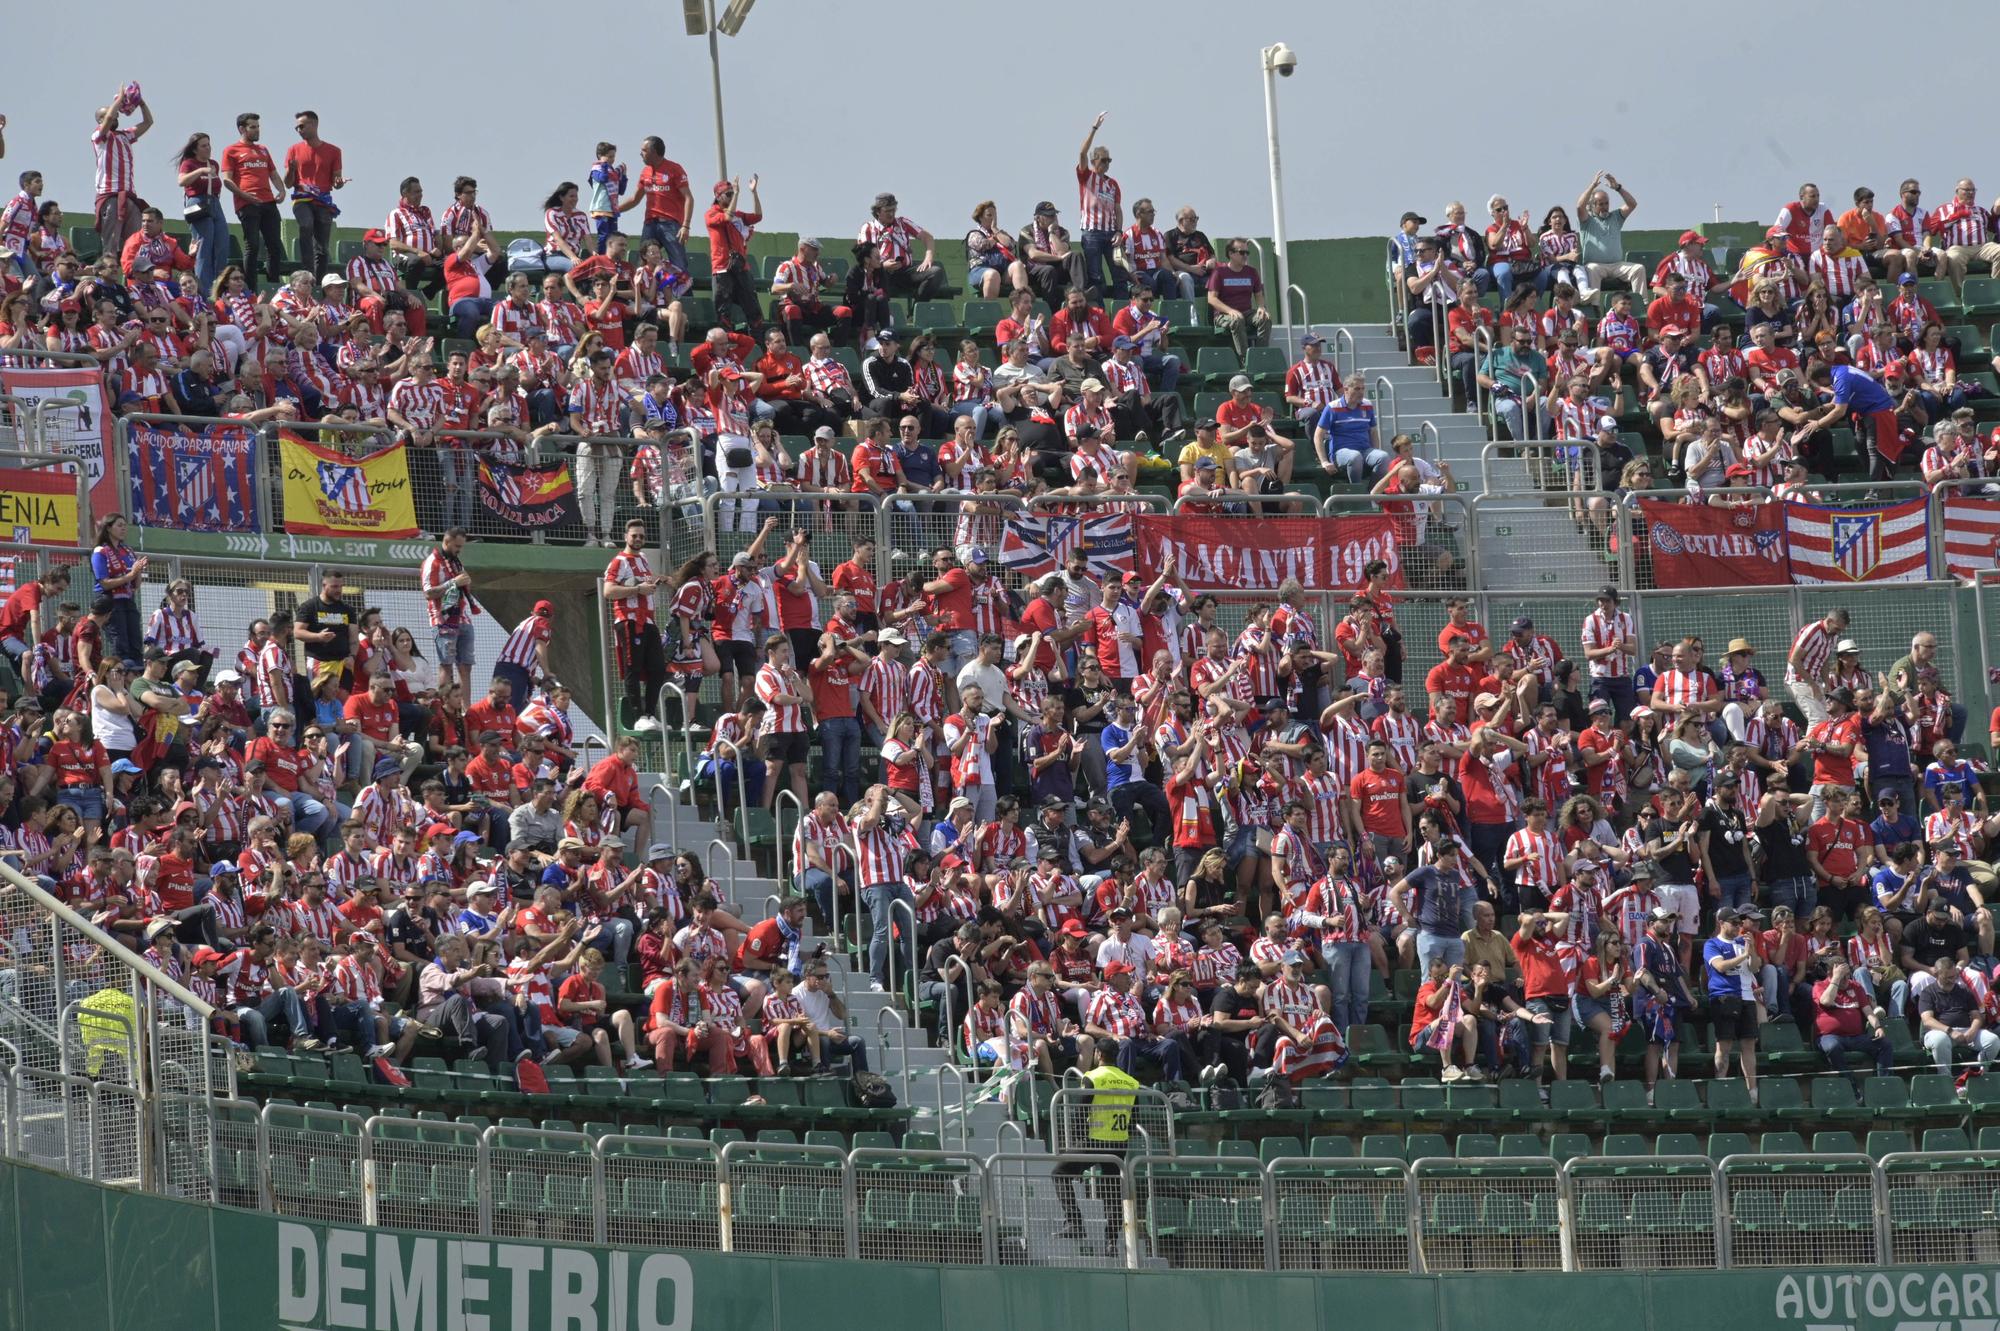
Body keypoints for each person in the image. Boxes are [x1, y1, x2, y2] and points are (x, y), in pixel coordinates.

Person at [1812, 956, 1893, 1093]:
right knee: (1832, 1047)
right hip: (1829, 1037)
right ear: (1830, 974)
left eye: (1847, 975)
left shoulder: (1855, 986)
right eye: (1841, 976)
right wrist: (1836, 979)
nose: (1846, 979)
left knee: (1884, 1044)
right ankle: (1850, 1085)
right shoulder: (1819, 986)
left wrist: (1878, 1027)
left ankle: (1883, 1086)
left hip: (1856, 1037)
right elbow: (1826, 1001)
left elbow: (1868, 1011)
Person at [282, 110, 345, 279]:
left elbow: (336, 181)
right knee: (306, 225)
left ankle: (318, 281)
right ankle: (307, 271)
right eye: (296, 128)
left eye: (302, 126)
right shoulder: (293, 150)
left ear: (314, 124)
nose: (299, 130)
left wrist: (339, 183)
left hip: (323, 201)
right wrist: (292, 171)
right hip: (302, 198)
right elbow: (288, 183)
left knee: (323, 246)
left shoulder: (334, 151)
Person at [1917, 956, 2000, 1077]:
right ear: (1937, 974)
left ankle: (1976, 1072)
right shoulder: (1928, 992)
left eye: (1954, 976)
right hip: (1939, 1032)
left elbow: (1977, 1016)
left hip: (1966, 1031)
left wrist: (1972, 1031)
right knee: (1940, 1040)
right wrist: (1950, 1031)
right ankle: (1946, 1078)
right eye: (1948, 977)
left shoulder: (1964, 990)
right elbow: (1927, 1020)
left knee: (1993, 1041)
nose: (1952, 980)